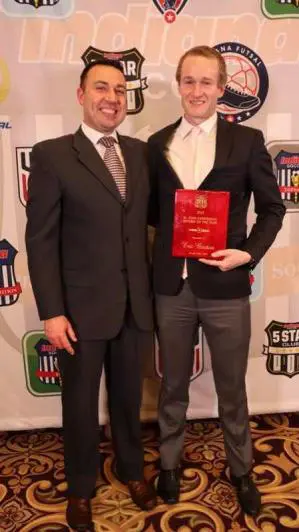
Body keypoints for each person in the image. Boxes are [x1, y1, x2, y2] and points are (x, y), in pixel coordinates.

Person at [148, 45, 285, 516]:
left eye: (207, 82)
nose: (197, 91)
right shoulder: (157, 143)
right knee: (172, 386)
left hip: (226, 287)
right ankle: (169, 462)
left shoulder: (247, 142)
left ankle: (242, 468)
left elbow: (272, 208)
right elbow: (153, 215)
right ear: (179, 85)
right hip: (173, 287)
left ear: (222, 88)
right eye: (189, 81)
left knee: (232, 386)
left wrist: (247, 252)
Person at [25, 58, 156, 531]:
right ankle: (81, 489)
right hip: (78, 311)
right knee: (79, 405)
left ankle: (131, 470)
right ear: (81, 95)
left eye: (120, 90)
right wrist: (53, 312)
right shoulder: (52, 154)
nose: (112, 98)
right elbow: (40, 241)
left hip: (134, 306)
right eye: (101, 88)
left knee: (127, 399)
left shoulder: (141, 154)